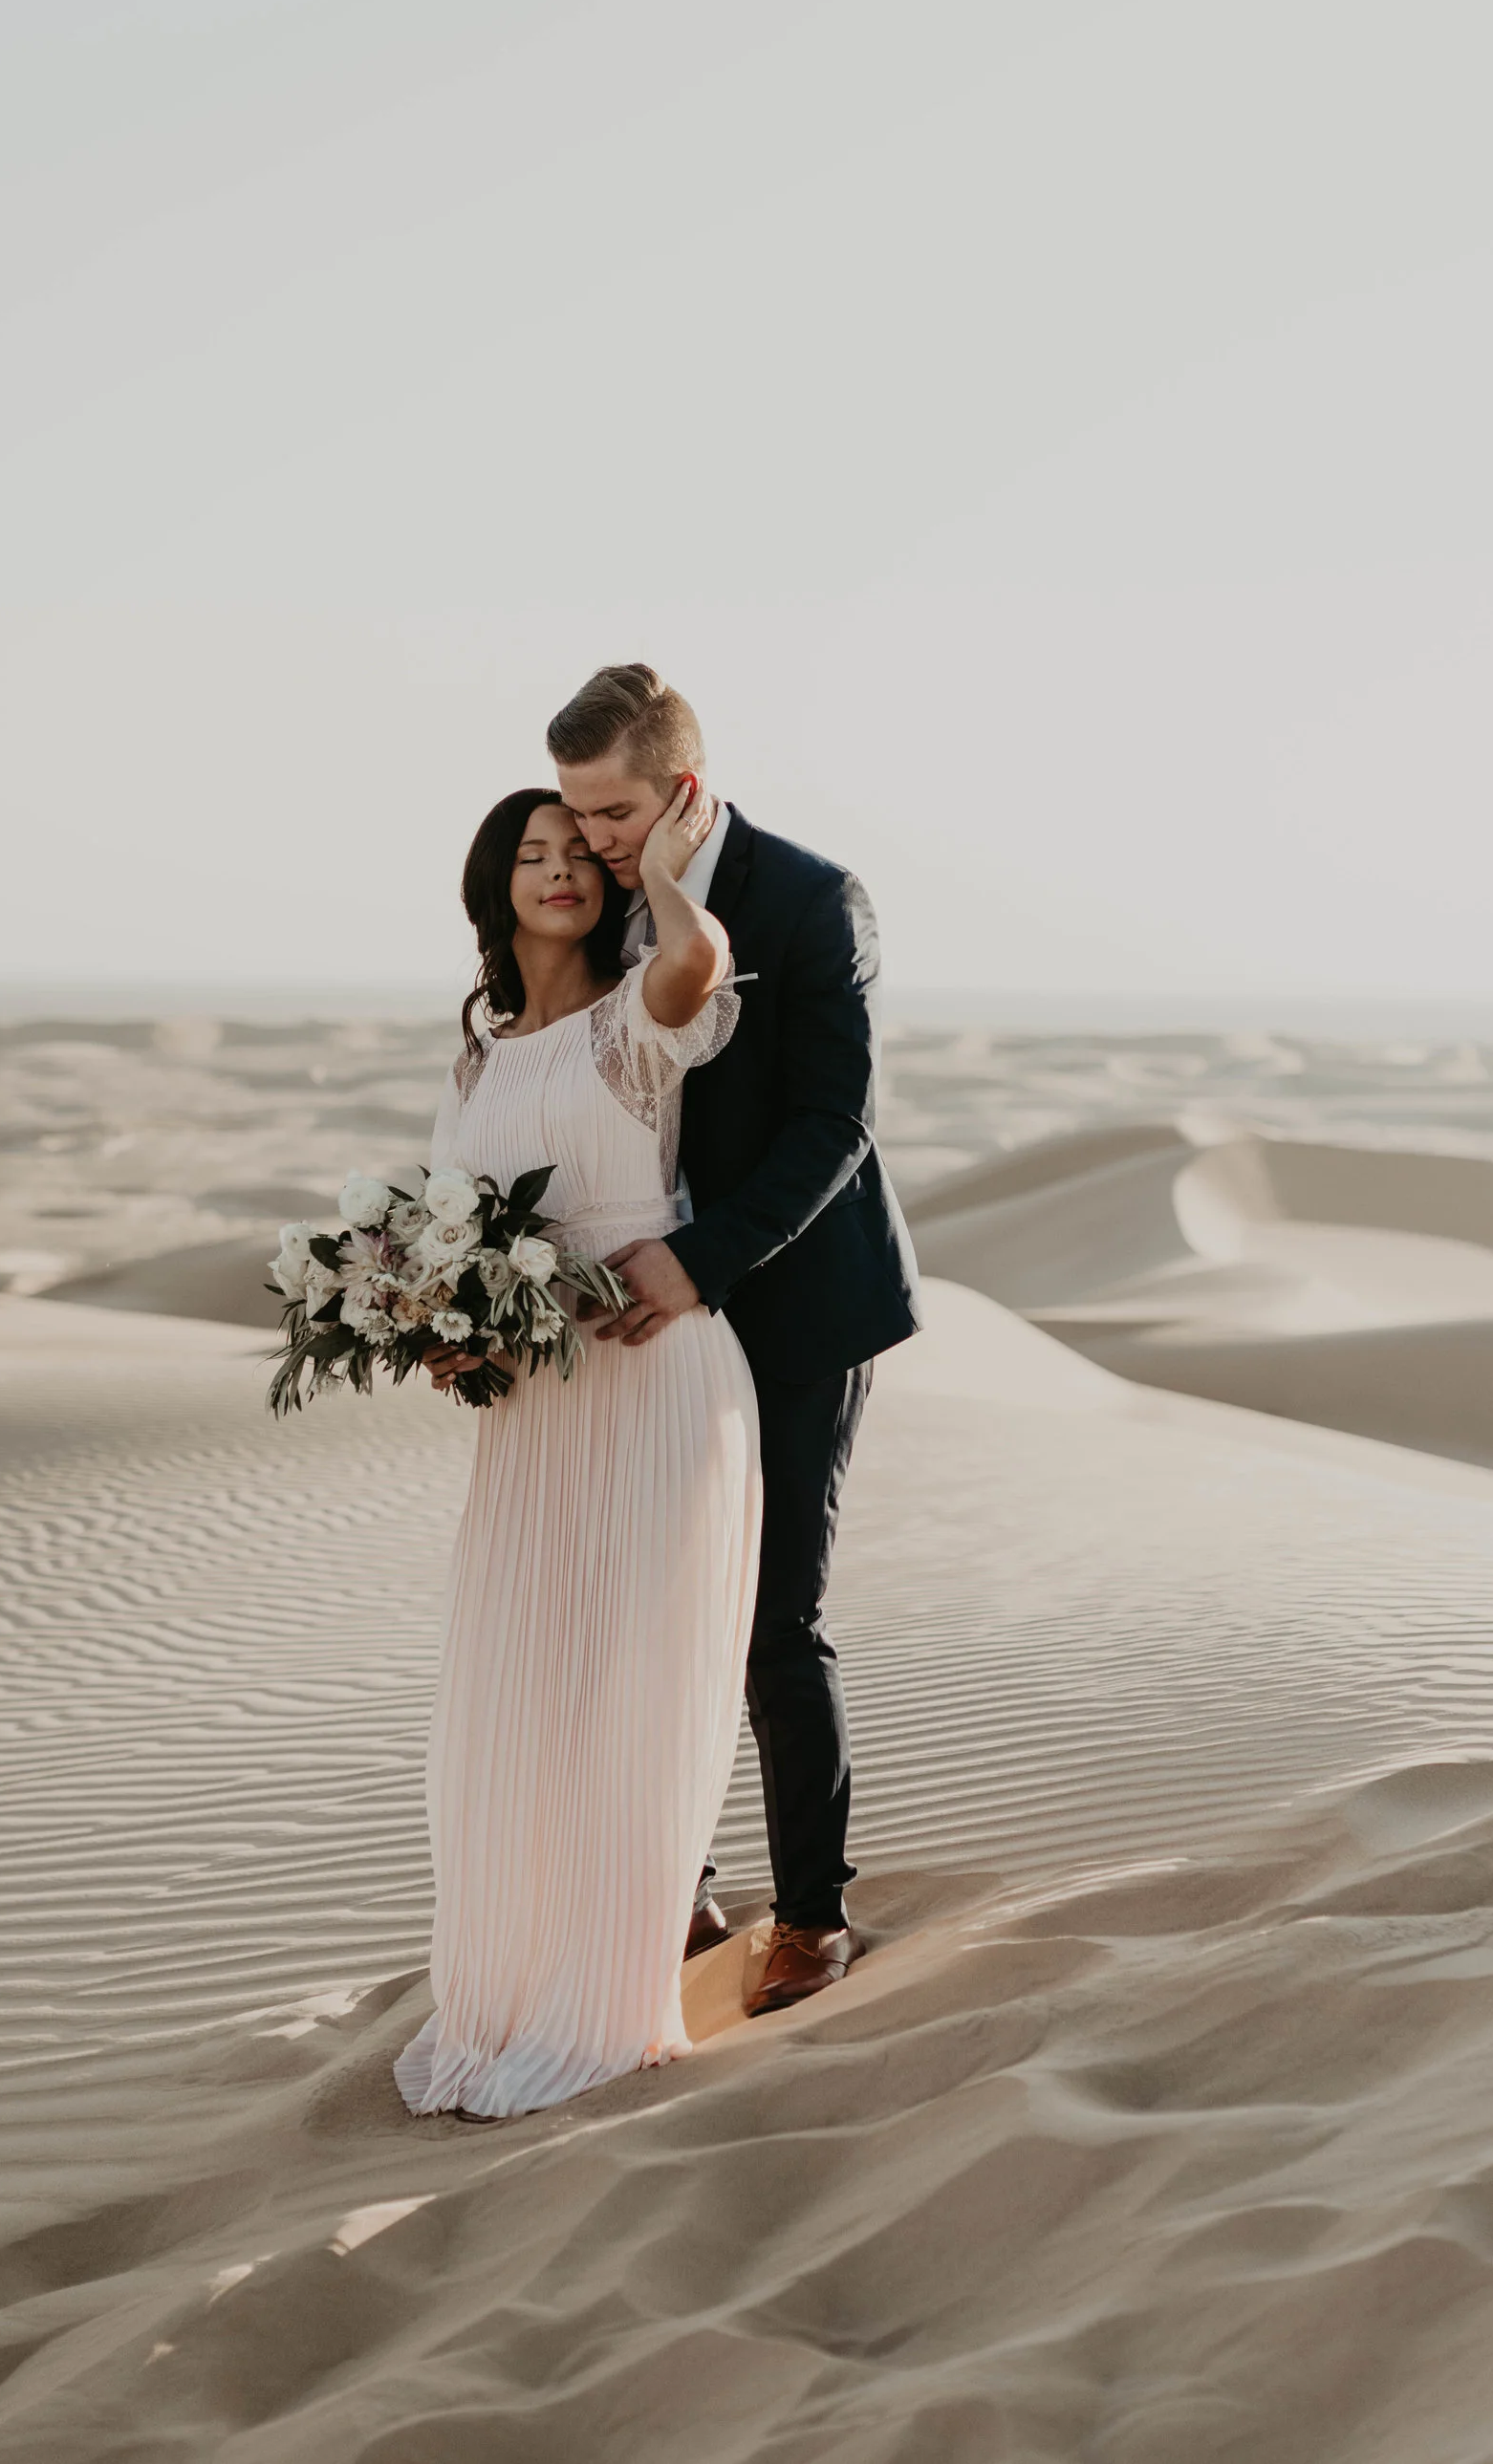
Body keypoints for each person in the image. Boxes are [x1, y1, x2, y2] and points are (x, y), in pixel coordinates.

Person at [550, 663, 920, 2018]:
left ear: (683, 791)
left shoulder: (811, 898)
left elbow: (838, 1123)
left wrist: (699, 1263)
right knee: (649, 1607)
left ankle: (814, 1914)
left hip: (799, 1300)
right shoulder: (587, 905)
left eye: (615, 810)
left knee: (772, 1618)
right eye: (578, 811)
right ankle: (681, 1885)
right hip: (642, 1317)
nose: (590, 836)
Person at [395, 784, 761, 2122]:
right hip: (539, 1409)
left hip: (655, 1372)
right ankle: (510, 1985)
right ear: (497, 888)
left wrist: (663, 867)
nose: (560, 870)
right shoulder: (478, 1060)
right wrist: (445, 1334)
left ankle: (609, 1997)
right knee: (524, 1683)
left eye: (576, 853)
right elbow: (453, 1228)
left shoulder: (630, 1027)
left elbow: (697, 965)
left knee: (629, 1682)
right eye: (531, 854)